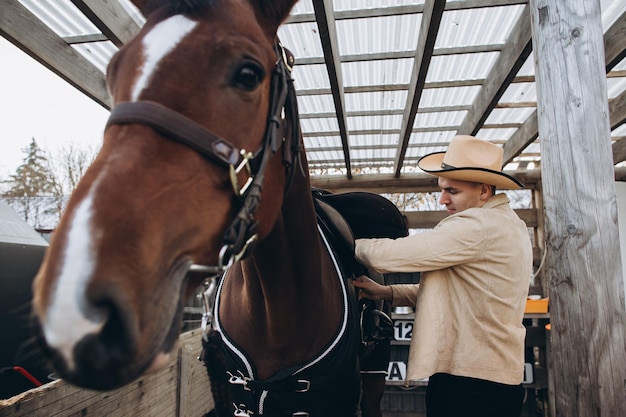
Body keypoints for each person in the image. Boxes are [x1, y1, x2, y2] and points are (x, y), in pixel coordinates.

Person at [352, 135, 533, 417]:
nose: (442, 199)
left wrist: (342, 239)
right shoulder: (510, 224)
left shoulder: (477, 225)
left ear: (484, 191)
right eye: (442, 189)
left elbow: (386, 256)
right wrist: (388, 293)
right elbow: (463, 292)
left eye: (453, 191)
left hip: (469, 384)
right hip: (495, 379)